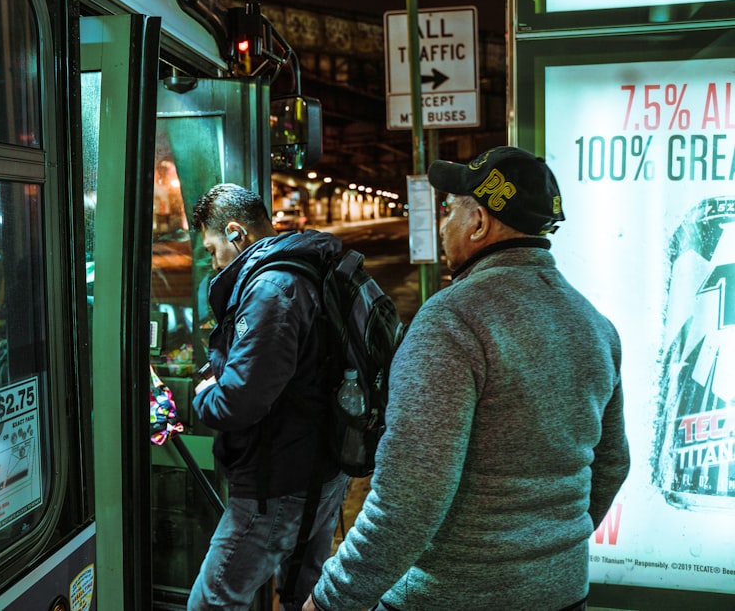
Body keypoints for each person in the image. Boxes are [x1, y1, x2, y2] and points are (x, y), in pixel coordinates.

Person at [304, 147, 631, 610]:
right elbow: (613, 464)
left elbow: (408, 501)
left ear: (479, 223)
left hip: (452, 596)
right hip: (562, 593)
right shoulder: (594, 324)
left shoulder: (452, 322)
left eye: (451, 210)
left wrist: (332, 598)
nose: (443, 225)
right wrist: (548, 550)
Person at [187, 183, 351, 611]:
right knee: (303, 591)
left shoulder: (271, 290)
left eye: (211, 248)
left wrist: (201, 388)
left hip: (278, 482)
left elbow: (236, 402)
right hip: (320, 464)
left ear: (237, 233)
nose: (211, 260)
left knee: (211, 603)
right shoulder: (307, 266)